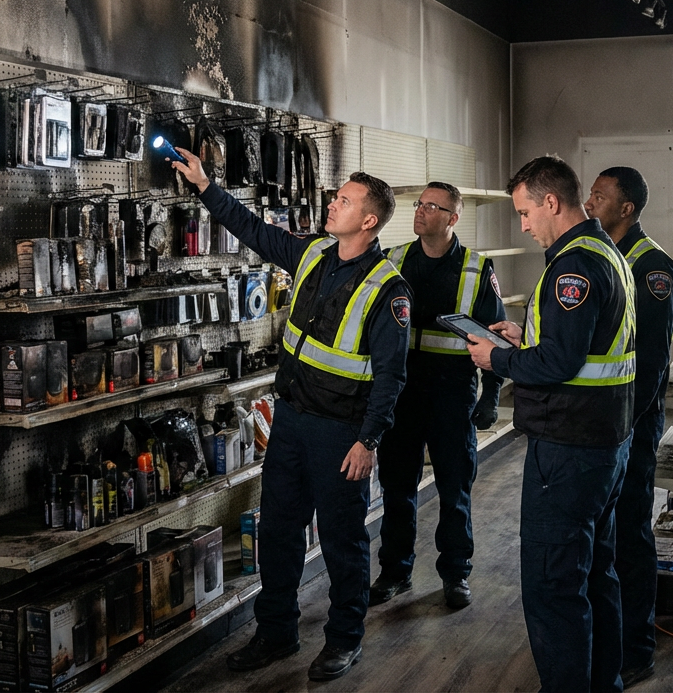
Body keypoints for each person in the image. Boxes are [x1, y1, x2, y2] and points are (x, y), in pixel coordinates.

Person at [173, 148, 410, 682]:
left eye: (344, 200)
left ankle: (345, 640)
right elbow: (252, 229)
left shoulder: (388, 290)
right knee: (278, 533)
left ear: (368, 221)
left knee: (344, 541)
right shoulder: (312, 254)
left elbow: (392, 377)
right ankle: (275, 633)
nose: (333, 203)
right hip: (292, 422)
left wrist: (368, 441)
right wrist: (207, 185)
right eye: (336, 196)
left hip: (341, 434)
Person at [468, 155, 635, 693]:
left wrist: (498, 360)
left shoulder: (570, 267)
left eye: (523, 212)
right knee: (595, 574)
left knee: (552, 585)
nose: (522, 224)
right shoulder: (602, 250)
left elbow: (561, 365)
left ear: (550, 202)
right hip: (605, 443)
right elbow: (582, 346)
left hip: (568, 448)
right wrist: (525, 338)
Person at [370, 182, 507, 610]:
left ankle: (455, 574)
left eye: (433, 206)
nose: (422, 211)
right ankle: (395, 571)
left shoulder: (475, 268)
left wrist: (492, 395)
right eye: (420, 203)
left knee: (454, 489)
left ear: (453, 218)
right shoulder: (390, 261)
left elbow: (497, 337)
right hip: (402, 396)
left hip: (452, 396)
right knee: (397, 488)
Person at [584, 167, 673, 687]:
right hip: (600, 429)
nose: (590, 201)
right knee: (602, 539)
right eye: (590, 192)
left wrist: (624, 428)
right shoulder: (599, 258)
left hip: (631, 427)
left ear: (626, 209)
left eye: (600, 196)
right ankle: (606, 640)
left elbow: (651, 365)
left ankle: (636, 649)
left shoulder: (651, 267)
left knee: (629, 536)